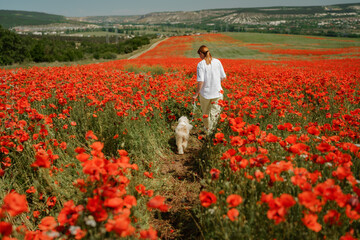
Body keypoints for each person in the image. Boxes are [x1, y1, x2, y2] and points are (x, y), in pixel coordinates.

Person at [192, 45, 226, 134]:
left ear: (201, 53)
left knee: (206, 114)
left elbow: (201, 81)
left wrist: (195, 94)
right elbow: (223, 77)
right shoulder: (217, 62)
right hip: (218, 93)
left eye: (199, 55)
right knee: (215, 114)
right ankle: (212, 132)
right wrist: (215, 83)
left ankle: (208, 130)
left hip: (205, 94)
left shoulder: (201, 64)